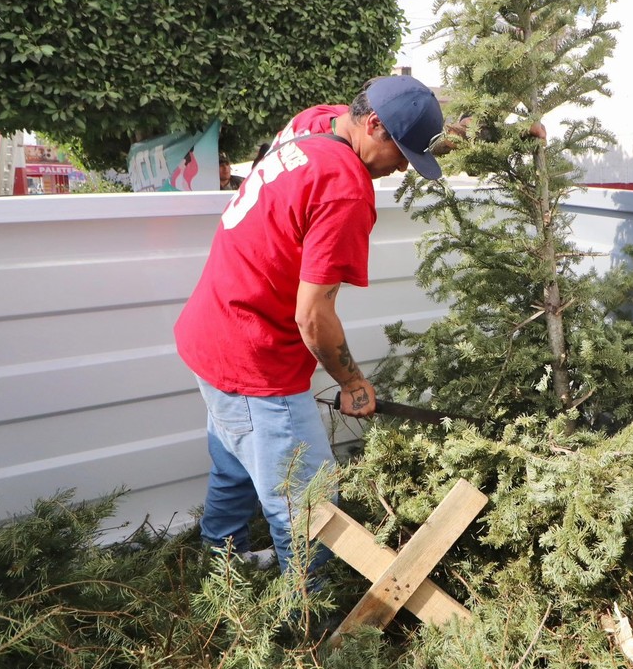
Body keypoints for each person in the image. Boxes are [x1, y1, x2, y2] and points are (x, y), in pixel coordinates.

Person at [174, 75, 445, 573]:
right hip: (256, 361)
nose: (404, 167)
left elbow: (419, 128)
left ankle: (222, 574)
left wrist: (490, 134)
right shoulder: (345, 189)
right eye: (403, 153)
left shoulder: (317, 122)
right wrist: (353, 381)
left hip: (210, 332)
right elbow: (312, 314)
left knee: (235, 465)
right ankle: (309, 625)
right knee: (309, 505)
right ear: (376, 125)